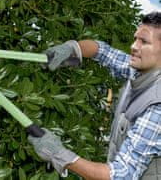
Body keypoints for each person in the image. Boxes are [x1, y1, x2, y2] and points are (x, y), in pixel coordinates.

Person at [28, 12, 161, 180]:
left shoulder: (157, 107)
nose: (134, 46)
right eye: (136, 39)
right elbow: (103, 51)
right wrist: (72, 49)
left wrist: (59, 154)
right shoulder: (140, 71)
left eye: (144, 41)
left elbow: (121, 175)